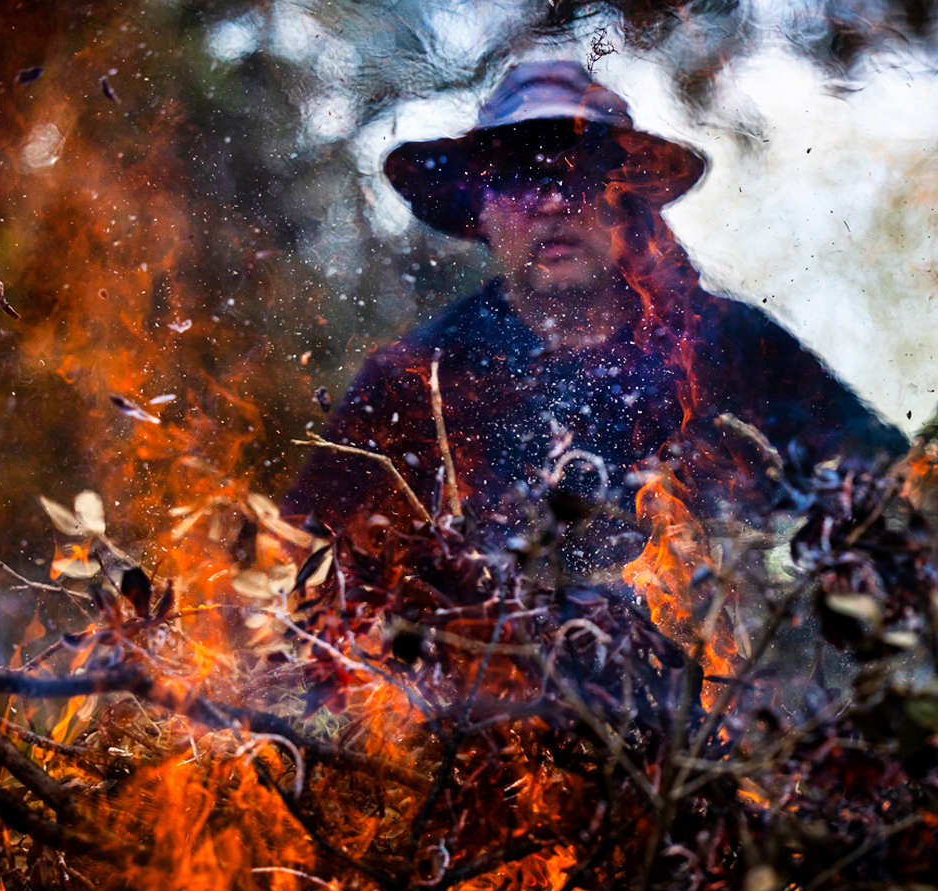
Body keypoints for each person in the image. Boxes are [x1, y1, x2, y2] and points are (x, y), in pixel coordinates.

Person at [289, 61, 906, 570]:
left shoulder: (729, 346)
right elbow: (296, 557)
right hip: (494, 697)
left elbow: (884, 480)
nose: (554, 202)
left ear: (627, 206)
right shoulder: (419, 378)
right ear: (482, 212)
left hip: (727, 688)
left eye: (579, 175)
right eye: (521, 180)